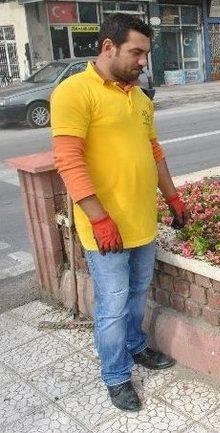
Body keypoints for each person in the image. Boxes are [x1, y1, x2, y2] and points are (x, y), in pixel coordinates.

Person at [51, 14, 187, 412]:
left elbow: (154, 152)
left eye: (146, 52)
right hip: (105, 226)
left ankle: (135, 346)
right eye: (136, 52)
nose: (144, 61)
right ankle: (116, 375)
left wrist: (173, 198)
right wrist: (97, 217)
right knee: (112, 302)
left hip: (141, 221)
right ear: (108, 47)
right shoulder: (74, 92)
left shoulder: (140, 98)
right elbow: (68, 160)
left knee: (137, 292)